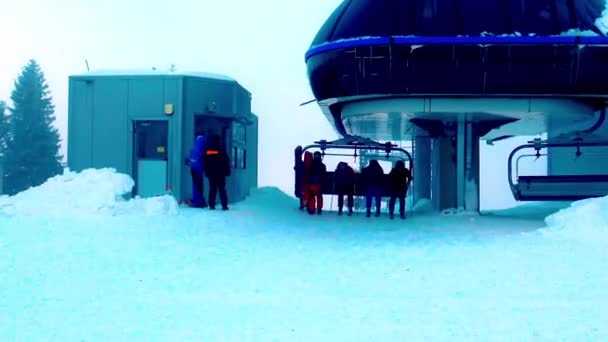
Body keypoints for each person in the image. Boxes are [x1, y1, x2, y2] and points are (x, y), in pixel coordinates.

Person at [204, 134, 230, 210]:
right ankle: (224, 205)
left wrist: (206, 171)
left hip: (211, 173)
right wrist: (227, 171)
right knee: (221, 189)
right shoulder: (220, 149)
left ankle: (211, 205)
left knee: (212, 189)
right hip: (220, 173)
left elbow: (205, 162)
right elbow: (226, 161)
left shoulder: (207, 150)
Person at [187, 134, 208, 208]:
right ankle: (199, 202)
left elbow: (190, 158)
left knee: (196, 185)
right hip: (199, 169)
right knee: (199, 186)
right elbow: (205, 159)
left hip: (193, 168)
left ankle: (197, 201)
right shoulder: (203, 148)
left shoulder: (194, 148)